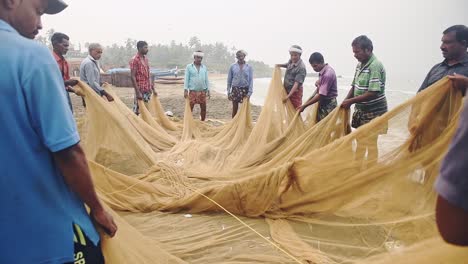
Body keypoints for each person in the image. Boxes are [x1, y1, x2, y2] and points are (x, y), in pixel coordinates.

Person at [0, 0, 117, 263]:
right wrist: (97, 208)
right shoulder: (31, 57)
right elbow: (67, 152)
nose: (41, 24)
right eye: (38, 11)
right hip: (47, 237)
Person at [341, 35, 388, 162]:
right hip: (361, 110)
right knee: (360, 139)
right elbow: (354, 85)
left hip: (374, 111)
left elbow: (373, 92)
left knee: (371, 142)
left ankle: (370, 169)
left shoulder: (375, 66)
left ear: (369, 49)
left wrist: (350, 101)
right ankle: (357, 165)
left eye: (357, 52)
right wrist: (345, 101)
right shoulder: (359, 65)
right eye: (354, 52)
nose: (355, 55)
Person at [435, 74, 468, 246]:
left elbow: (453, 231)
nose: (443, 46)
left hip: (448, 135)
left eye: (447, 43)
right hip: (434, 132)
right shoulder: (438, 69)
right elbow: (421, 93)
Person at [418, 25, 468, 93]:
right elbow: (420, 96)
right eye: (442, 42)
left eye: (448, 42)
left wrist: (466, 84)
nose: (442, 47)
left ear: (463, 44)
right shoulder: (436, 69)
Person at [298, 52, 338, 122]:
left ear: (322, 62)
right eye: (312, 66)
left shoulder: (327, 74)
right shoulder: (324, 70)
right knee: (320, 123)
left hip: (328, 104)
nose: (314, 69)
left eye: (315, 66)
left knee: (325, 125)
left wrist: (305, 106)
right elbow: (324, 83)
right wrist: (318, 82)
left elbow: (321, 95)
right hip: (323, 102)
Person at [51, 32, 78, 112]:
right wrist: (67, 82)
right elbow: (50, 83)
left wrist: (75, 90)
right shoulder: (49, 61)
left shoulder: (65, 62)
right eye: (65, 45)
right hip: (53, 97)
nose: (67, 48)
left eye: (68, 46)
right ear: (55, 44)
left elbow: (65, 83)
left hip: (64, 94)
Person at [276, 45, 307, 109]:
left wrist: (288, 96)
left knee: (295, 110)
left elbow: (296, 84)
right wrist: (279, 65)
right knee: (287, 109)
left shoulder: (301, 67)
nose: (293, 57)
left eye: (295, 55)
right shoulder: (291, 60)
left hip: (295, 93)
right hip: (287, 90)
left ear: (300, 55)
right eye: (291, 55)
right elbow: (287, 65)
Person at [130, 40, 155, 115]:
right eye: (145, 47)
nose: (147, 49)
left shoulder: (145, 59)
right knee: (137, 110)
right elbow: (132, 76)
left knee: (146, 109)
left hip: (147, 89)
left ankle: (145, 125)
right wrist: (137, 92)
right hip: (140, 89)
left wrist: (151, 87)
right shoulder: (134, 60)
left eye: (147, 47)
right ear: (139, 48)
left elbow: (148, 74)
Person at [184, 50, 210, 121]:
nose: (199, 59)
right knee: (190, 108)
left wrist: (208, 90)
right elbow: (186, 78)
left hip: (202, 91)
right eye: (198, 57)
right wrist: (185, 89)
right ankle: (188, 122)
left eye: (201, 58)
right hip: (193, 91)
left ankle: (202, 121)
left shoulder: (204, 67)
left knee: (203, 107)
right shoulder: (189, 67)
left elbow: (206, 79)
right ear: (194, 57)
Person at [227, 50, 253, 118]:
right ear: (237, 57)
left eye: (242, 56)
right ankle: (233, 125)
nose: (240, 58)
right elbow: (229, 80)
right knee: (235, 109)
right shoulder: (232, 66)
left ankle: (243, 126)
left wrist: (249, 93)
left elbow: (251, 80)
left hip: (245, 89)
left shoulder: (249, 67)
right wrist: (229, 92)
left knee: (244, 110)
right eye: (239, 56)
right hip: (235, 89)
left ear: (244, 56)